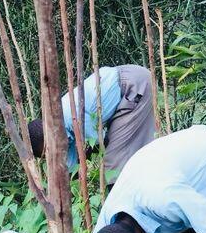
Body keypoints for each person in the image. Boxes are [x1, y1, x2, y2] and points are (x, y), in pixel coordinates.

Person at [27, 64, 156, 181]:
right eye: (46, 156)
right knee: (126, 156)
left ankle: (123, 204)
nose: (53, 155)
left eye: (48, 150)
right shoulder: (62, 135)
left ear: (50, 136)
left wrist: (85, 154)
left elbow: (100, 142)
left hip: (133, 85)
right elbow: (73, 170)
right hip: (126, 90)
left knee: (113, 161)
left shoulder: (70, 116)